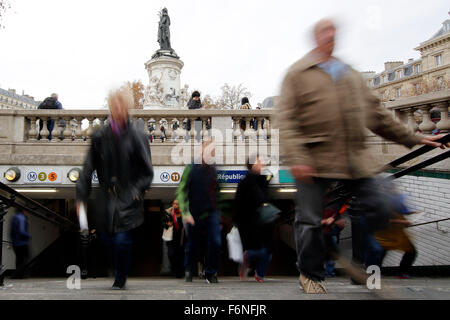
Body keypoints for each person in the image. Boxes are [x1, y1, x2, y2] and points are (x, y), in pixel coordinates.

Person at [276, 18, 448, 294]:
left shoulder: (350, 75)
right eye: (324, 33)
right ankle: (310, 274)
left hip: (354, 157)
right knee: (308, 219)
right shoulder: (298, 74)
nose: (330, 37)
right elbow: (286, 119)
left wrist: (415, 137)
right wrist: (297, 157)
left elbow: (378, 115)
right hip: (314, 155)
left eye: (333, 33)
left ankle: (371, 268)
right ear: (317, 38)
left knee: (381, 203)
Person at [76, 86, 154, 290]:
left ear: (127, 107)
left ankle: (120, 277)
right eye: (114, 104)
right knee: (106, 240)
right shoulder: (100, 135)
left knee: (122, 240)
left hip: (128, 197)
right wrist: (80, 198)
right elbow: (87, 168)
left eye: (122, 104)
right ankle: (117, 267)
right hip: (105, 199)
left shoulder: (137, 135)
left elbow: (147, 171)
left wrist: (137, 191)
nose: (118, 108)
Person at [177, 139, 221, 283]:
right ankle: (189, 268)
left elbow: (218, 192)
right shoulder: (191, 168)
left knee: (215, 241)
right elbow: (182, 191)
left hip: (211, 212)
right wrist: (185, 213)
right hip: (193, 213)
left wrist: (219, 213)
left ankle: (211, 272)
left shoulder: (214, 170)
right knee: (193, 243)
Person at [233, 155, 275, 283]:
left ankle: (259, 274)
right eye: (258, 161)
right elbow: (239, 203)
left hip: (264, 221)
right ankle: (248, 256)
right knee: (261, 250)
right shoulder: (246, 180)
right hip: (249, 221)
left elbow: (265, 198)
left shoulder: (263, 180)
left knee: (269, 251)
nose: (261, 163)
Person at [162, 199, 185, 278]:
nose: (175, 205)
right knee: (171, 255)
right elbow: (163, 223)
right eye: (174, 203)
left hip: (181, 239)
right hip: (171, 239)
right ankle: (175, 269)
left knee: (180, 256)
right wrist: (168, 224)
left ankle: (180, 272)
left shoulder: (183, 214)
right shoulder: (169, 213)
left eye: (177, 204)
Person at [10, 211, 31, 279]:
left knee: (19, 259)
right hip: (22, 242)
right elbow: (21, 230)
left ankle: (19, 275)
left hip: (15, 242)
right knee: (25, 258)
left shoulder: (14, 217)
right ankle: (18, 274)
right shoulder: (21, 218)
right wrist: (28, 235)